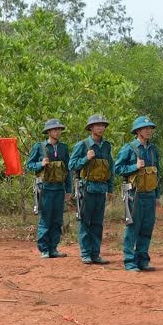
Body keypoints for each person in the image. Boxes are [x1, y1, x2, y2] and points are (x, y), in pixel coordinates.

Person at [115, 116, 161, 272]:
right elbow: (118, 169)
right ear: (138, 131)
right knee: (133, 227)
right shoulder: (129, 148)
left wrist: (157, 195)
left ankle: (143, 261)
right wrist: (134, 167)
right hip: (134, 194)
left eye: (150, 128)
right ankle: (130, 262)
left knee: (147, 227)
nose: (149, 131)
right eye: (145, 128)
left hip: (149, 194)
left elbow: (157, 174)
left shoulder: (153, 150)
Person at [68, 114, 114, 265]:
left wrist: (111, 189)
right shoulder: (82, 145)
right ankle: (86, 253)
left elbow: (111, 168)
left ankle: (96, 254)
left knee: (97, 223)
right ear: (91, 128)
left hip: (101, 189)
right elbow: (71, 165)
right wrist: (85, 159)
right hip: (86, 190)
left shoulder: (107, 146)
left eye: (103, 125)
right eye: (97, 125)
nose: (101, 128)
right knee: (84, 222)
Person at [27, 119, 72, 259]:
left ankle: (53, 248)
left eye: (59, 129)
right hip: (45, 189)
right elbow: (29, 165)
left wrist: (69, 190)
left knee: (57, 220)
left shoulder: (64, 148)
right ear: (48, 131)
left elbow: (68, 170)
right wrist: (40, 164)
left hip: (59, 189)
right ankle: (44, 249)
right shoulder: (39, 147)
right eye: (55, 129)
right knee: (45, 219)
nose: (58, 132)